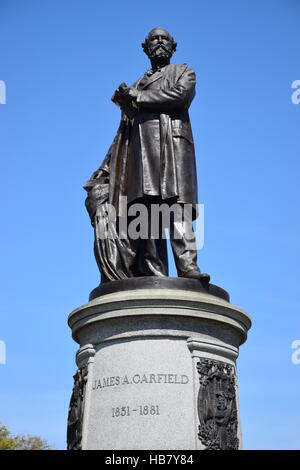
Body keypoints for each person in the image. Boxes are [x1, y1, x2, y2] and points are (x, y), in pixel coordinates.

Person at [85, 28, 209, 284]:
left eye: (165, 39)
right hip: (141, 154)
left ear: (173, 47)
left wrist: (138, 98)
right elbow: (123, 131)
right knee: (148, 212)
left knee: (178, 209)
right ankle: (155, 273)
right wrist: (106, 166)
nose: (160, 43)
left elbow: (180, 96)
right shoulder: (135, 86)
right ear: (146, 48)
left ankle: (188, 267)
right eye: (154, 39)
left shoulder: (183, 72)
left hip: (173, 149)